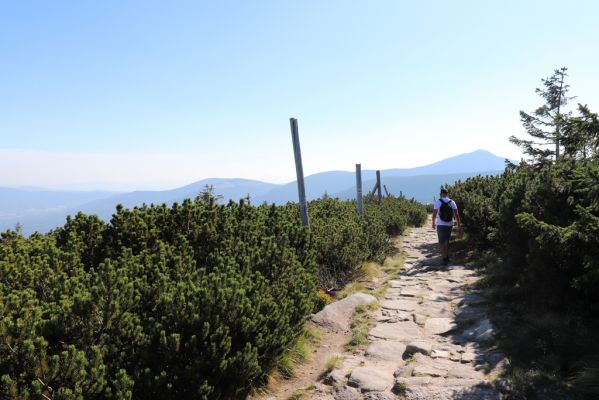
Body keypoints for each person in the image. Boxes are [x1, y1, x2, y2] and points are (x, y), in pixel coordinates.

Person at [431, 188, 462, 266]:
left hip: (440, 224)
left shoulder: (438, 202)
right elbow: (456, 214)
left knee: (441, 241)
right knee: (447, 240)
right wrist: (459, 225)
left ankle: (444, 258)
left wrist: (433, 223)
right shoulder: (452, 202)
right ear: (447, 194)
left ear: (441, 194)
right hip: (449, 224)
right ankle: (447, 256)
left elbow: (434, 214)